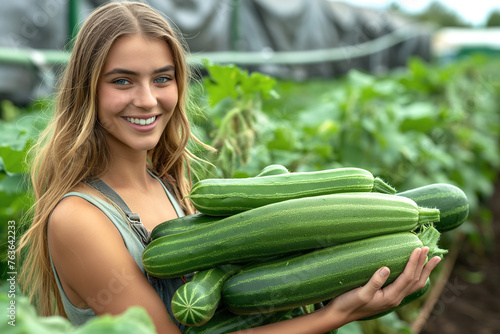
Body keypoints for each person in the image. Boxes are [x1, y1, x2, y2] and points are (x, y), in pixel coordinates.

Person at [18, 1, 441, 333]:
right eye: (122, 81)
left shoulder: (166, 184)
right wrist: (337, 315)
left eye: (162, 79)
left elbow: (225, 302)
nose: (147, 99)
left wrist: (316, 279)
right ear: (87, 91)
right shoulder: (79, 219)